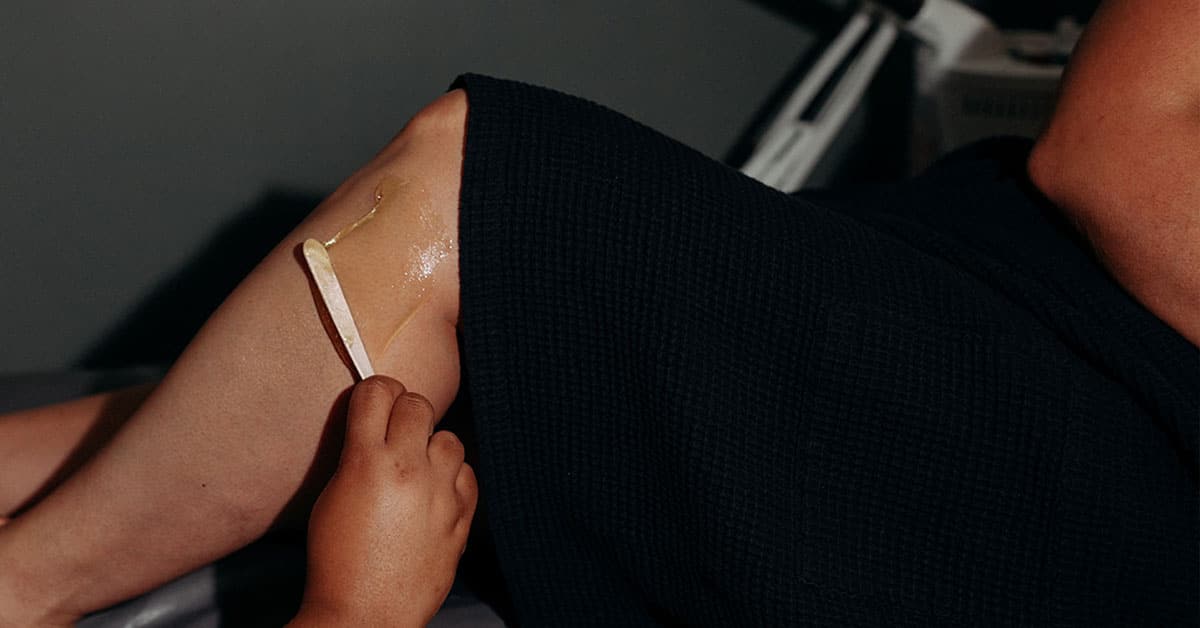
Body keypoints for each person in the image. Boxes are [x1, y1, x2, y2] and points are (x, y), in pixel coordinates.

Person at [0, 0, 1196, 625]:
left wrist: (356, 606)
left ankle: (25, 589)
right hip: (986, 269)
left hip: (1108, 460)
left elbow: (1107, 155)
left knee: (497, 190)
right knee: (310, 389)